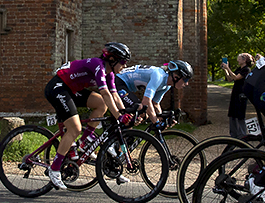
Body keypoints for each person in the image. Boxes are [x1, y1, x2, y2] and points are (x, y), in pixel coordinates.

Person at [43, 42, 133, 190]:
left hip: (71, 89)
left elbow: (114, 95)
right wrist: (117, 116)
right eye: (123, 62)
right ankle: (55, 169)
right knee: (75, 128)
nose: (124, 66)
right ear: (112, 59)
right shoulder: (99, 66)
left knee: (101, 104)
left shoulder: (110, 73)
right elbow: (105, 93)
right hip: (58, 87)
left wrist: (124, 113)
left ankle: (83, 143)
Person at [116, 60, 192, 125]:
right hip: (119, 82)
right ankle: (121, 134)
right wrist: (156, 122)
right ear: (176, 77)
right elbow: (146, 101)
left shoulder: (167, 85)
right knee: (140, 108)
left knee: (143, 114)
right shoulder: (159, 76)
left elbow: (155, 103)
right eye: (185, 80)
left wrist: (162, 118)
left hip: (126, 86)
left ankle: (121, 133)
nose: (187, 83)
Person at [221, 53, 254, 139]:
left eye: (239, 58)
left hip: (241, 95)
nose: (237, 59)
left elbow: (236, 77)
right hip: (235, 94)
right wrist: (225, 69)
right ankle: (234, 135)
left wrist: (228, 67)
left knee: (240, 115)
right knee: (232, 114)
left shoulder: (246, 70)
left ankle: (242, 135)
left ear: (244, 60)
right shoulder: (239, 69)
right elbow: (230, 79)